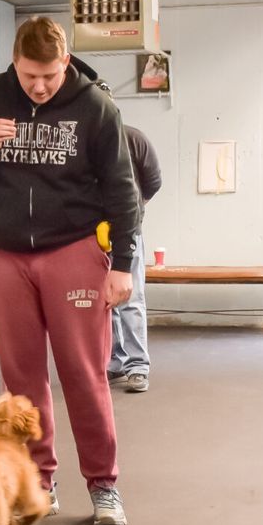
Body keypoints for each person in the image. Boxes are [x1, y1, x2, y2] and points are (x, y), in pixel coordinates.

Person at [0, 16, 141, 525]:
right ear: (15, 62)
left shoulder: (95, 105)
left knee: (84, 374)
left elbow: (123, 191)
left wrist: (121, 265)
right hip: (5, 257)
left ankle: (104, 486)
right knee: (21, 384)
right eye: (30, 75)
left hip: (72, 250)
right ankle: (38, 483)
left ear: (65, 62)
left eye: (49, 75)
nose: (39, 85)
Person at [107, 125, 162, 394]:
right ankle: (115, 362)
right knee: (106, 301)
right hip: (91, 234)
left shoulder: (133, 138)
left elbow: (153, 182)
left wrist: (135, 208)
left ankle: (137, 366)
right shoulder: (81, 138)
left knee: (131, 298)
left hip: (127, 231)